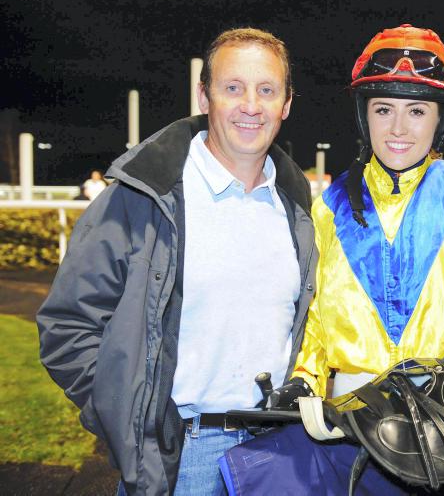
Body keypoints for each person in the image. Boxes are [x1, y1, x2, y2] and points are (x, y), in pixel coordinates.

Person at [220, 24, 444, 495]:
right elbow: (314, 328)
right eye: (384, 109)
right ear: (364, 115)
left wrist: (442, 394)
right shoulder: (329, 209)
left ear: (439, 119)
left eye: (417, 111)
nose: (399, 129)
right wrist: (304, 382)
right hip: (348, 436)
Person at [36, 28, 316, 495]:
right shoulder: (143, 194)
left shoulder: (298, 207)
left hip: (277, 452)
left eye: (267, 90)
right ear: (204, 97)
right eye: (233, 87)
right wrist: (130, 420)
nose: (251, 105)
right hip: (180, 456)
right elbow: (67, 325)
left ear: (286, 104)